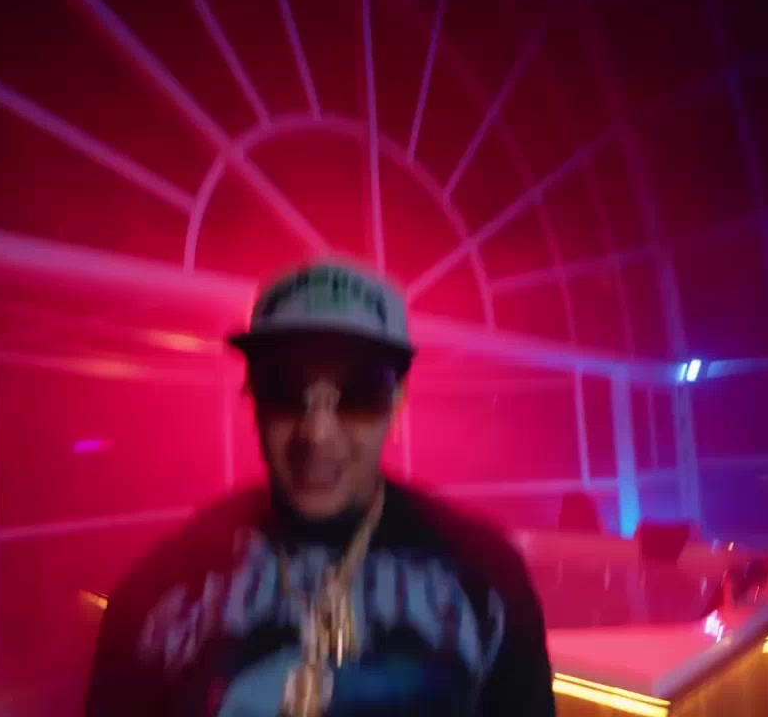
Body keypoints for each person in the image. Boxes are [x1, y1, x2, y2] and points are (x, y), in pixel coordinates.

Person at [85, 261, 556, 716]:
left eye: (359, 393)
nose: (317, 433)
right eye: (284, 389)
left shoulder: (485, 576)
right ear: (252, 398)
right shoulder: (161, 586)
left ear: (398, 402)